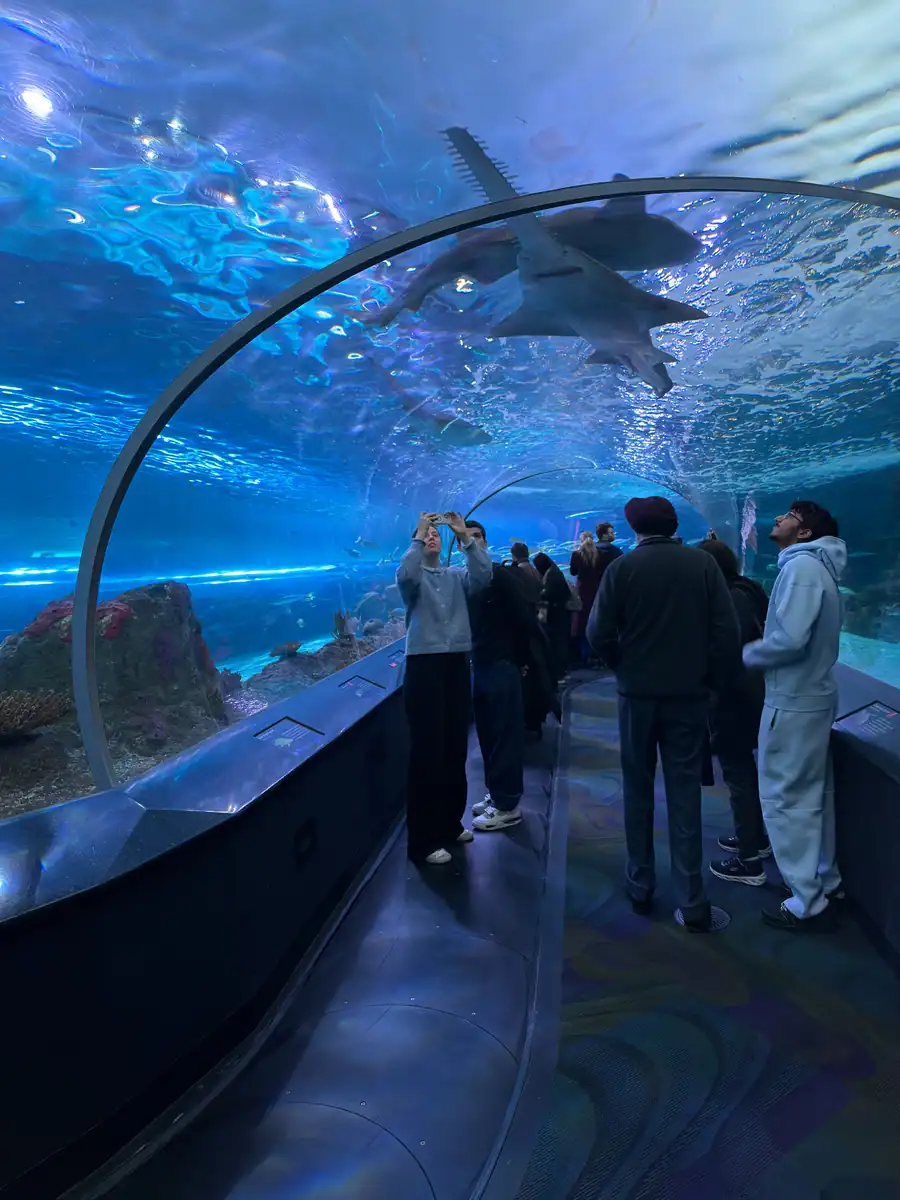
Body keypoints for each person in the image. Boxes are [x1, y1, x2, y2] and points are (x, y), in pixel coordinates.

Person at [588, 496, 741, 931]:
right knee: (685, 794)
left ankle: (640, 885)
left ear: (634, 527)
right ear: (673, 525)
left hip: (637, 697)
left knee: (636, 789)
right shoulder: (703, 566)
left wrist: (626, 667)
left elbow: (599, 632)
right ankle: (692, 900)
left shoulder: (622, 569)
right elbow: (725, 632)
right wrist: (711, 682)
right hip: (689, 696)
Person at [743, 501, 846, 933]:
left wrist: (747, 653)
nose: (779, 519)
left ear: (804, 533)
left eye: (789, 516)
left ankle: (806, 900)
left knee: (786, 801)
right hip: (810, 697)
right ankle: (824, 882)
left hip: (792, 700)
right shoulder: (815, 567)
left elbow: (788, 639)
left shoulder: (801, 569)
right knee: (813, 798)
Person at [396, 512, 492, 864]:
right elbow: (403, 573)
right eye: (427, 534)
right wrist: (418, 535)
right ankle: (422, 840)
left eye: (436, 534)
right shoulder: (415, 578)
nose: (433, 537)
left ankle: (450, 823)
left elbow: (484, 575)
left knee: (455, 746)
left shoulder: (456, 576)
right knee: (427, 752)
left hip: (455, 664)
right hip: (424, 665)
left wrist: (463, 536)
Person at [697, 539, 771, 885]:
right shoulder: (749, 589)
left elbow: (730, 647)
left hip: (735, 697)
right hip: (757, 691)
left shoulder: (728, 598)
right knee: (748, 771)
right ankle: (756, 837)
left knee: (738, 772)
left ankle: (749, 860)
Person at [464, 521, 534, 833]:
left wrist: (521, 660)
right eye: (466, 537)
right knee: (489, 735)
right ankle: (497, 794)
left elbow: (524, 619)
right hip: (480, 664)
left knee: (505, 735)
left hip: (502, 664)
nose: (472, 541)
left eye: (476, 536)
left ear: (486, 541)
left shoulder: (501, 576)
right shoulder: (467, 581)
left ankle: (509, 805)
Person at [533, 552, 571, 685]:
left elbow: (548, 593)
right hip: (560, 614)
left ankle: (559, 673)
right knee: (560, 643)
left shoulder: (552, 576)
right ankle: (563, 671)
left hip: (555, 615)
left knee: (556, 644)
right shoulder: (555, 571)